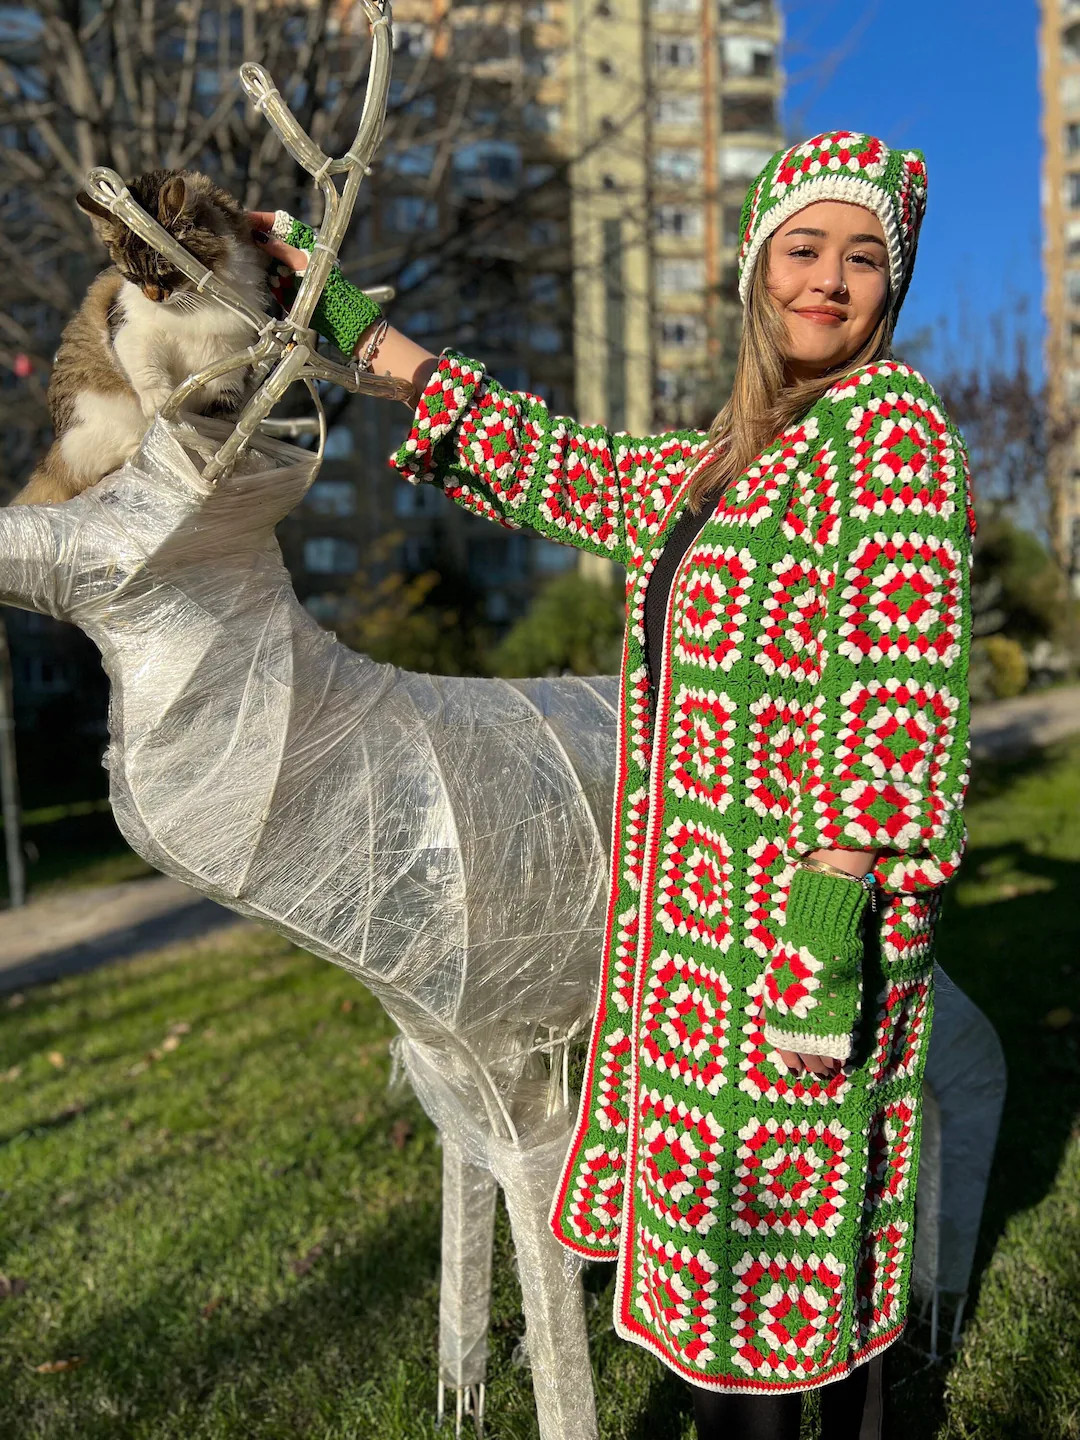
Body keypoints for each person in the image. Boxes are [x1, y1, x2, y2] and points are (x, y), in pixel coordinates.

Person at [251, 129, 974, 1440]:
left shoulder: (887, 431)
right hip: (696, 960)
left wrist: (830, 921)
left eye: (865, 259)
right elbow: (544, 457)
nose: (831, 279)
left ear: (890, 291)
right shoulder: (721, 465)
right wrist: (350, 317)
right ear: (758, 268)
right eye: (803, 248)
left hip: (798, 952)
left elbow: (900, 685)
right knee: (739, 1295)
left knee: (776, 1285)